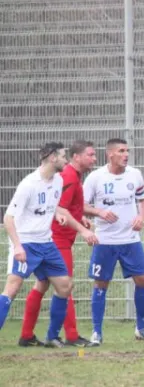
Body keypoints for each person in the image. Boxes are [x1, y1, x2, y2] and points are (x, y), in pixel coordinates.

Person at [0, 142, 98, 348]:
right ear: (53, 158)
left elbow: (54, 208)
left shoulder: (57, 181)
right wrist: (18, 247)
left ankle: (52, 337)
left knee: (64, 286)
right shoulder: (29, 184)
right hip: (26, 242)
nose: (66, 160)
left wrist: (63, 217)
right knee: (12, 288)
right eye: (63, 156)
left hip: (47, 242)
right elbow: (8, 219)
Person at [83, 138, 144, 345]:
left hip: (130, 239)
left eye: (127, 151)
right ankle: (97, 333)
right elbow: (81, 205)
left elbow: (143, 198)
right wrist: (100, 212)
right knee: (101, 284)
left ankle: (141, 328)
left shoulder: (135, 174)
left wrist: (142, 217)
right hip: (104, 241)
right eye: (121, 151)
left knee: (143, 279)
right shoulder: (95, 178)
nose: (126, 155)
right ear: (110, 154)